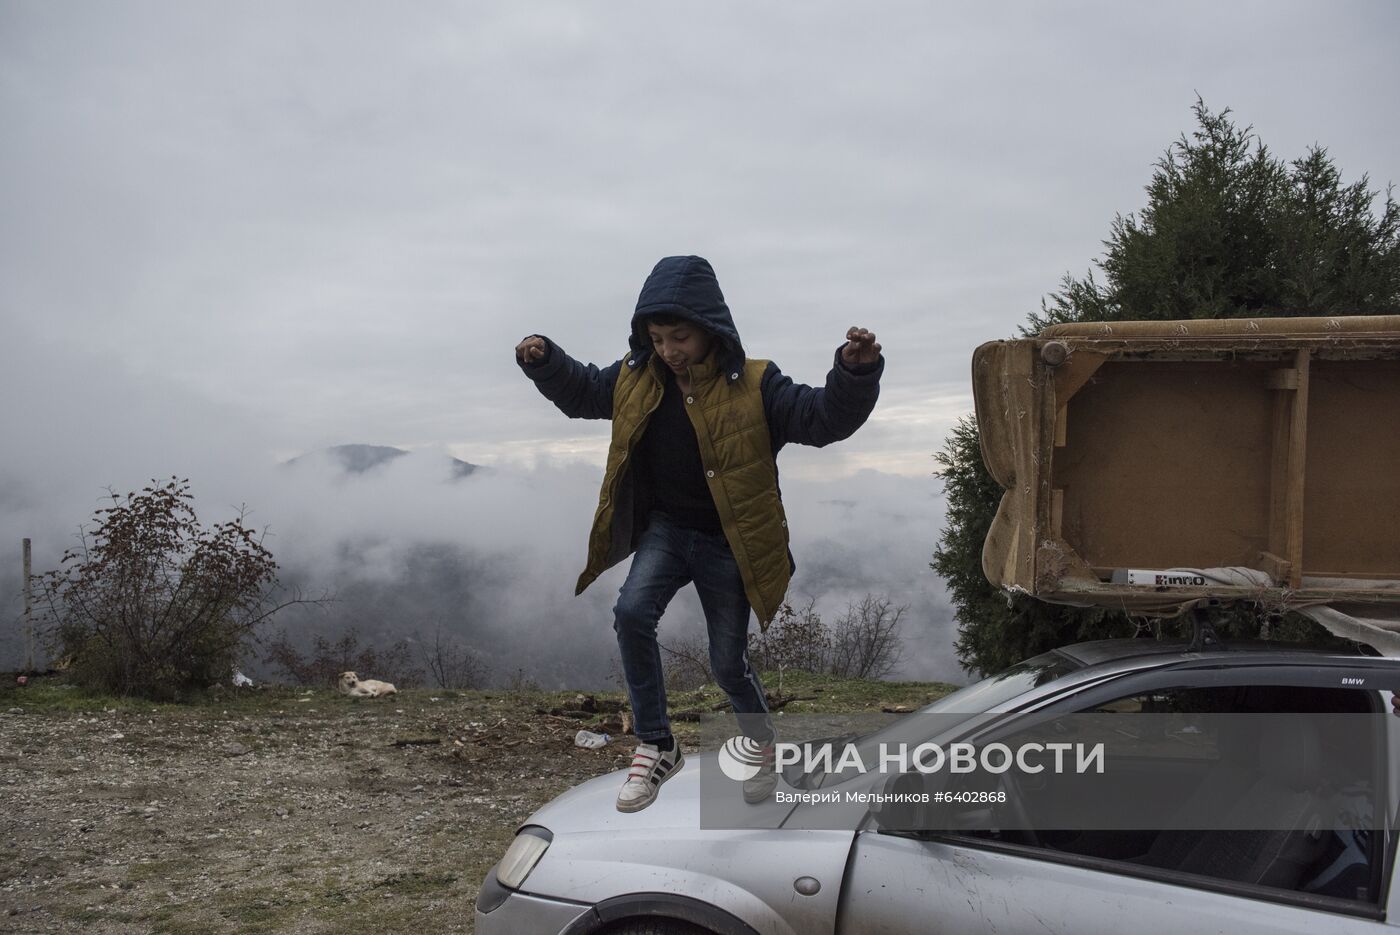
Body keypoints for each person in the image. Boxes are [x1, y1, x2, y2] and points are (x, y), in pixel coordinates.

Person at [515, 255, 883, 812]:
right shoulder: (635, 379)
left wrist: (854, 374)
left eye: (679, 336)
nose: (668, 350)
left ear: (710, 329)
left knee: (728, 663)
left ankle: (761, 748)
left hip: (728, 540)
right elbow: (585, 393)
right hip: (666, 530)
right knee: (632, 614)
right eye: (657, 338)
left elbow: (821, 419)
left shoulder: (757, 384)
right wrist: (545, 360)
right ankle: (658, 743)